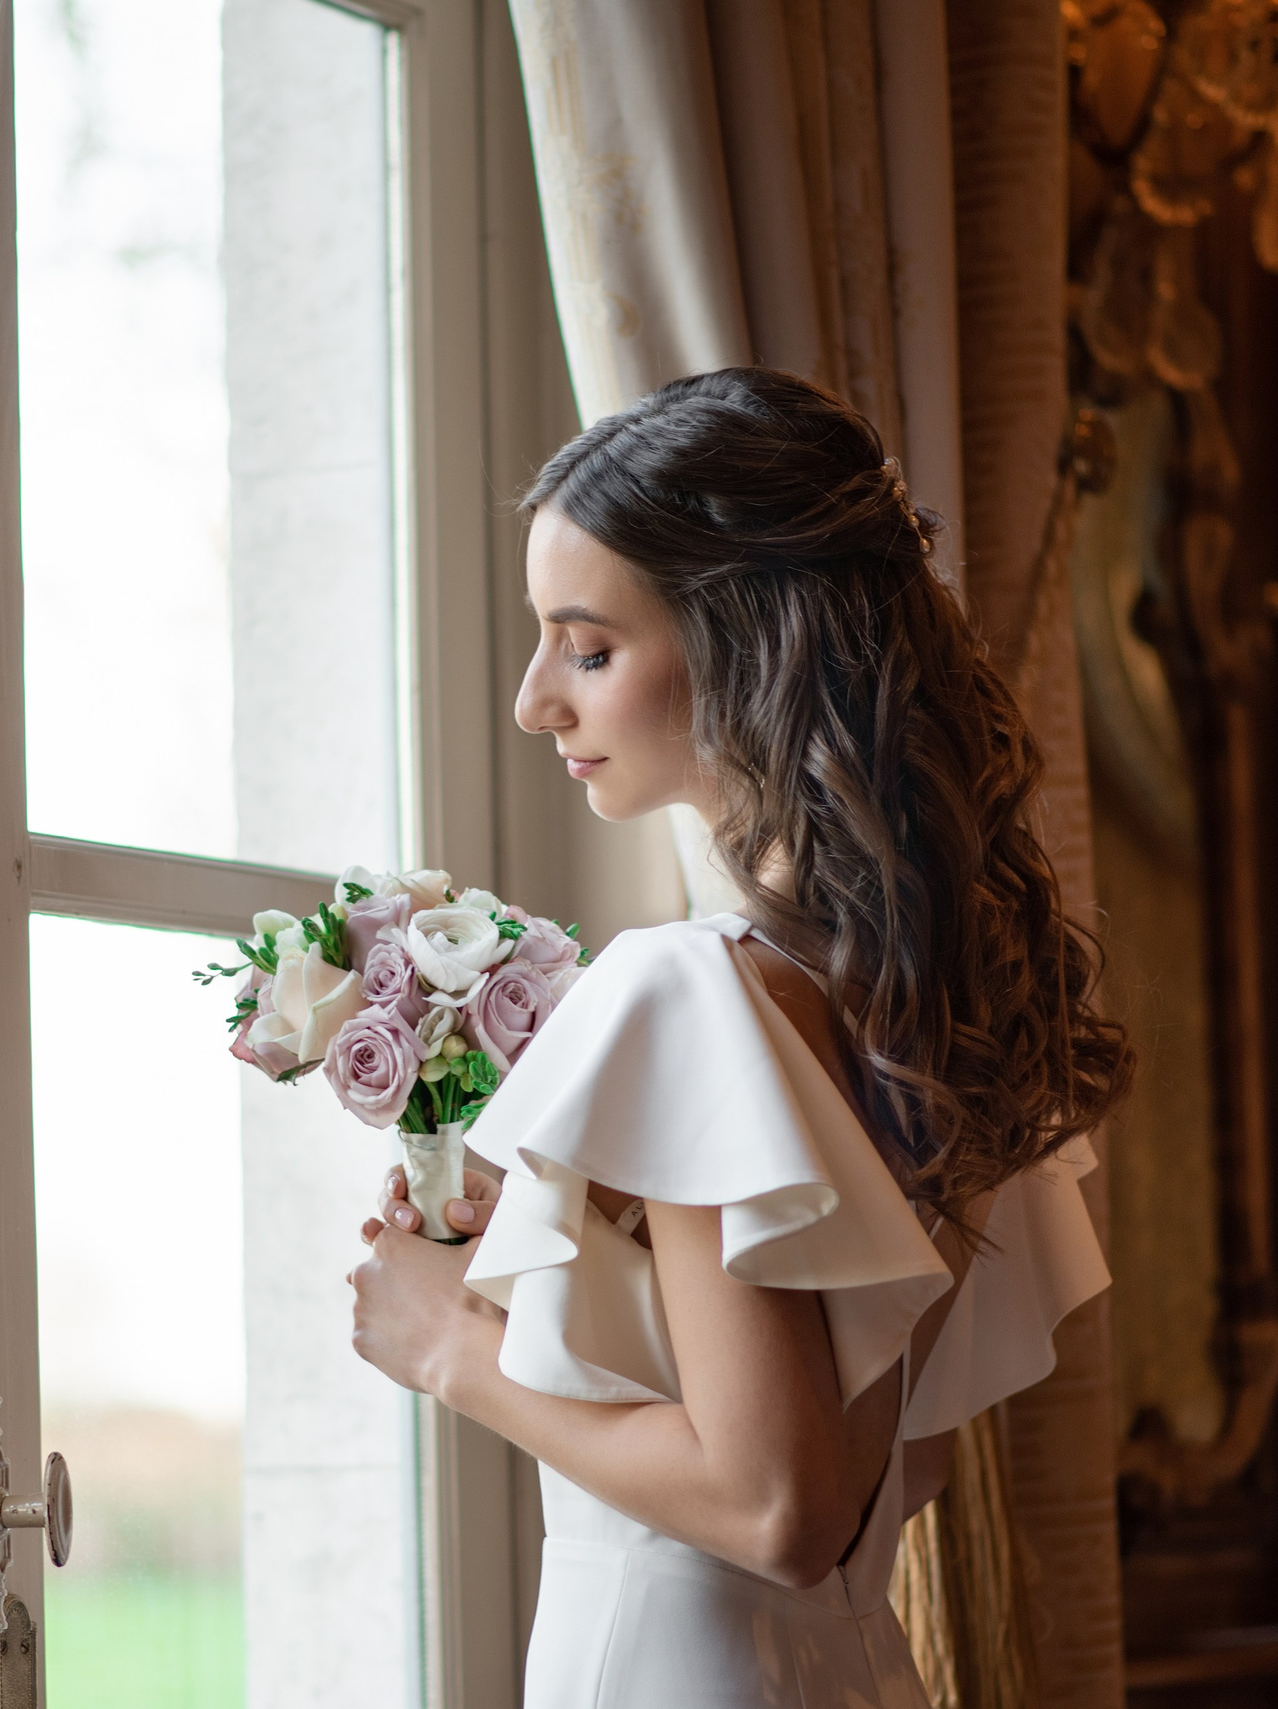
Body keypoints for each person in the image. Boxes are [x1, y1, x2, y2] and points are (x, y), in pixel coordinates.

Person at [347, 367, 1133, 1707]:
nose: (541, 698)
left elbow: (778, 1503)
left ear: (745, 644)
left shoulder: (695, 990)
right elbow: (891, 1462)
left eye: (589, 648)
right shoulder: (896, 993)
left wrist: (453, 1349)